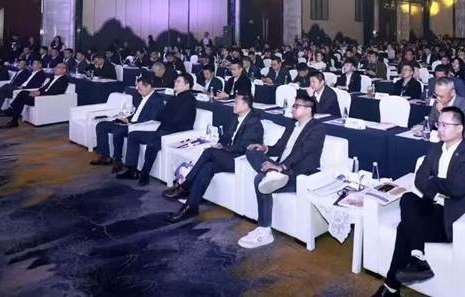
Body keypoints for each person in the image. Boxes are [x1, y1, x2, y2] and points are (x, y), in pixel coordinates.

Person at [371, 107, 465, 295]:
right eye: (439, 124)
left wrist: (434, 181)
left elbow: (457, 189)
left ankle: (391, 288)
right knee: (407, 198)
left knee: (404, 228)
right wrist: (438, 190)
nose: (440, 129)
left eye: (445, 125)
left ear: (459, 128)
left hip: (450, 216)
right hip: (432, 205)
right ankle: (417, 258)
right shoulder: (435, 149)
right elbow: (419, 179)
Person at [238, 94, 326, 249]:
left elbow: (302, 152)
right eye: (293, 105)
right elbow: (280, 147)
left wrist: (282, 167)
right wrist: (265, 148)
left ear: (308, 109)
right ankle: (271, 174)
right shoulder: (292, 125)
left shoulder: (317, 128)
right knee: (251, 150)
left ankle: (265, 230)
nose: (292, 108)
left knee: (260, 180)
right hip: (280, 169)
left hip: (298, 173)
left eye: (296, 106)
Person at [166, 92, 264, 222]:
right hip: (229, 155)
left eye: (236, 103)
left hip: (241, 161)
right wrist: (220, 144)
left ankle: (185, 185)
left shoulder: (254, 123)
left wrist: (223, 149)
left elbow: (243, 147)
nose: (234, 105)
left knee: (209, 152)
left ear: (246, 105)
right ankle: (191, 207)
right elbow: (226, 136)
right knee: (208, 167)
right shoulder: (237, 118)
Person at [116, 73, 197, 186]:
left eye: (178, 81)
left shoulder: (189, 100)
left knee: (153, 144)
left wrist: (166, 117)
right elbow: (161, 115)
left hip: (176, 134)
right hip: (164, 130)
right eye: (175, 81)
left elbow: (176, 120)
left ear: (187, 85)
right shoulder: (175, 97)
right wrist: (166, 117)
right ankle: (132, 169)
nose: (175, 83)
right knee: (133, 135)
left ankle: (145, 174)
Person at [90, 74, 165, 172]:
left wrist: (129, 122)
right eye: (137, 87)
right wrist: (126, 118)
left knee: (118, 130)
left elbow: (151, 120)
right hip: (131, 122)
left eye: (140, 88)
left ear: (149, 87)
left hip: (139, 126)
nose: (137, 90)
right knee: (101, 125)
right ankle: (104, 155)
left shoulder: (156, 100)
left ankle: (117, 160)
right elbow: (136, 114)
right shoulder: (142, 96)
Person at [0, 63, 70, 129]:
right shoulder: (53, 77)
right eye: (56, 67)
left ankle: (12, 114)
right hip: (41, 95)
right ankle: (13, 114)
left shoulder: (64, 80)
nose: (55, 69)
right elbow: (44, 87)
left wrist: (40, 94)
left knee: (23, 97)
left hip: (45, 99)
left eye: (58, 67)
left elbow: (55, 92)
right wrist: (37, 91)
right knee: (23, 92)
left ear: (64, 70)